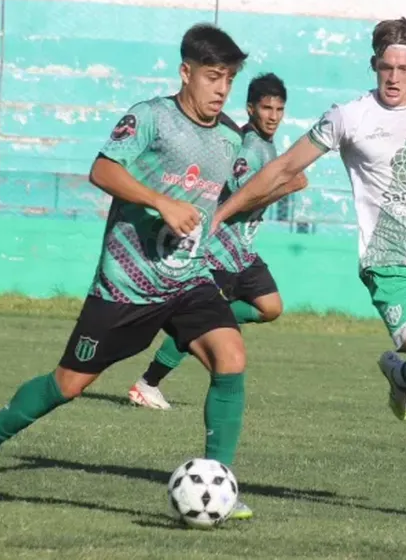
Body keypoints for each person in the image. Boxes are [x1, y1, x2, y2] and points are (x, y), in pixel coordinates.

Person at [0, 23, 259, 519]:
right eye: (213, 76)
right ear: (186, 72)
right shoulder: (150, 118)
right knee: (67, 384)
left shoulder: (231, 141)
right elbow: (102, 170)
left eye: (229, 80)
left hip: (187, 279)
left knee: (231, 357)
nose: (221, 89)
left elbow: (222, 201)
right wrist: (160, 202)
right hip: (126, 285)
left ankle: (218, 486)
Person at [209, 17, 406, 522]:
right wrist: (221, 212)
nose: (393, 77)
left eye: (403, 68)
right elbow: (284, 168)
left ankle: (398, 370)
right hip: (390, 264)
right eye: (384, 67)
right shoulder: (347, 117)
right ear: (374, 65)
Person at [129, 72, 307, 411]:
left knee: (271, 307)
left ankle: (215, 317)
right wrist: (287, 186)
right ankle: (147, 382)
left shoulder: (266, 145)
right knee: (201, 322)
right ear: (251, 108)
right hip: (220, 250)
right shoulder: (248, 147)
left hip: (243, 252)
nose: (273, 116)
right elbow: (240, 202)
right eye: (266, 108)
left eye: (279, 109)